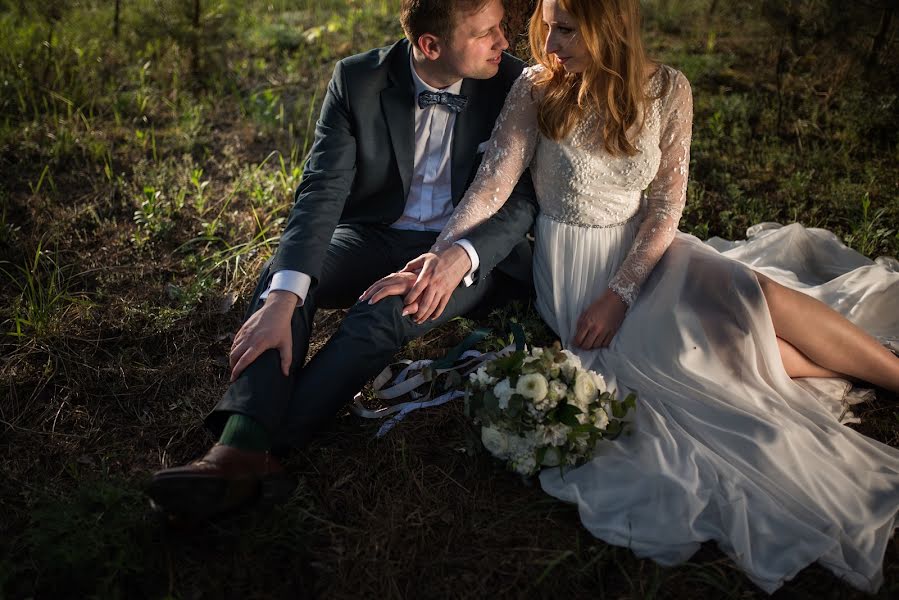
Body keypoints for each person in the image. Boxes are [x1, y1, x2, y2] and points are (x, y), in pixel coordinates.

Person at [361, 0, 899, 593]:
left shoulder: (670, 89)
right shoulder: (537, 88)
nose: (548, 39)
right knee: (705, 353)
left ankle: (892, 373)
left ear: (608, 25)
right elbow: (493, 186)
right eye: (546, 22)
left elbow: (667, 207)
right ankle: (843, 364)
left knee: (750, 289)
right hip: (575, 275)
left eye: (565, 27)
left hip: (649, 254)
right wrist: (440, 255)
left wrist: (622, 293)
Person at [146, 0, 540, 518]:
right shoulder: (358, 80)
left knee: (384, 315)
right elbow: (321, 191)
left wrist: (457, 258)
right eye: (487, 32)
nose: (503, 41)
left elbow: (522, 202)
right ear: (430, 45)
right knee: (283, 281)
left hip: (463, 252)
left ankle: (246, 448)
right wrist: (285, 297)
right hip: (374, 235)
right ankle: (246, 451)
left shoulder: (516, 84)